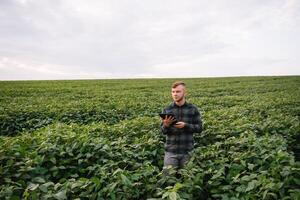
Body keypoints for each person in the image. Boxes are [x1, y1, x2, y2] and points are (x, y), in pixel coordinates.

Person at [160, 81, 202, 175]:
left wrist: (186, 125)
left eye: (178, 91)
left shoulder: (192, 109)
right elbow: (162, 131)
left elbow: (199, 128)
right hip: (171, 152)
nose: (175, 94)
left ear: (185, 93)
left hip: (187, 151)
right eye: (173, 92)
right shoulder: (167, 109)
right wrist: (166, 125)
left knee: (188, 178)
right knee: (167, 178)